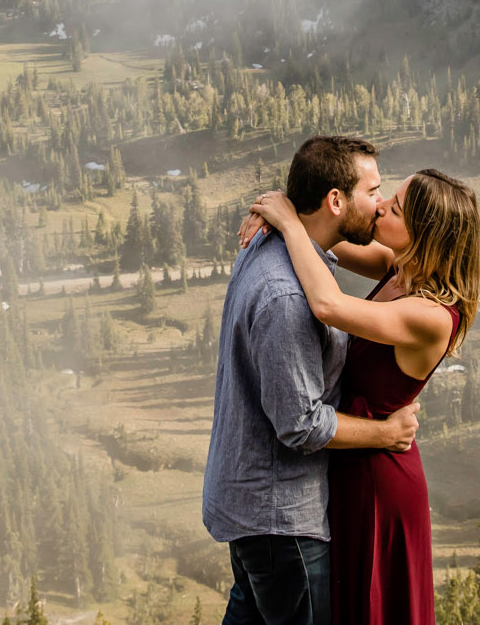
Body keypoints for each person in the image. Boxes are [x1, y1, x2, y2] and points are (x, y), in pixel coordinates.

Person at [202, 136, 423, 625]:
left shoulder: (272, 245)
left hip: (255, 510)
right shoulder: (288, 298)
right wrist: (388, 434)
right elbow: (299, 424)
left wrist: (285, 214)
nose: (381, 203)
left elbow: (365, 259)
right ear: (336, 200)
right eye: (375, 190)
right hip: (282, 520)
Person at [248, 167, 480, 625]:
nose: (380, 208)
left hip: (379, 477)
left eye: (394, 208)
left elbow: (328, 305)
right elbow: (329, 237)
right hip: (356, 452)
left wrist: (290, 224)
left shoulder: (431, 316)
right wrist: (278, 212)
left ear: (423, 234)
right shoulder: (400, 270)